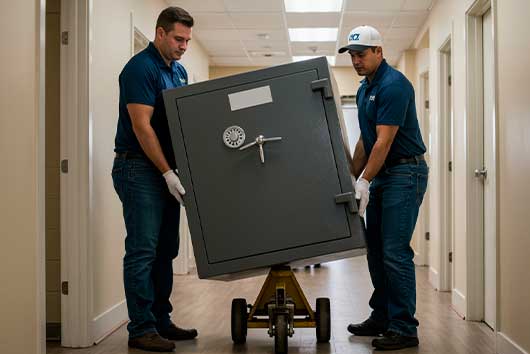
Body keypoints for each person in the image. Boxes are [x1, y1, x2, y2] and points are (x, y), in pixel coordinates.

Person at [112, 6, 198, 352]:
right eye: (178, 38)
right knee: (143, 250)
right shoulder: (140, 69)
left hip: (165, 172)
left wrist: (181, 171)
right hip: (138, 169)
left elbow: (179, 126)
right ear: (159, 33)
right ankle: (141, 328)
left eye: (187, 40)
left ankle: (161, 320)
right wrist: (165, 172)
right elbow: (141, 126)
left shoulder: (178, 72)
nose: (183, 46)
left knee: (167, 249)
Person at [338, 25, 429, 350]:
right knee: (374, 249)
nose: (356, 60)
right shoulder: (365, 90)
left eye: (361, 54)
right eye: (351, 55)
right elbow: (366, 140)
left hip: (405, 174)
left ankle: (404, 328)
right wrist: (351, 178)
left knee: (394, 251)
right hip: (384, 176)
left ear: (378, 52)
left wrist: (364, 180)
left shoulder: (394, 85)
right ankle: (382, 316)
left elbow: (385, 142)